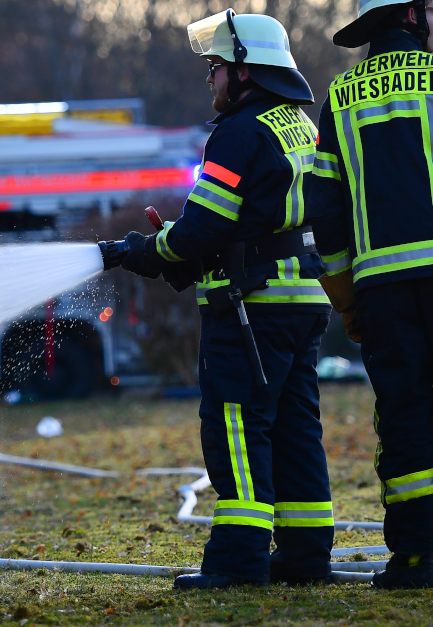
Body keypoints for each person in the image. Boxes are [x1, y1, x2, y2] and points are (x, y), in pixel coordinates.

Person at [118, 9, 335, 589]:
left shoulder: (239, 133)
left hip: (249, 308)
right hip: (301, 300)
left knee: (237, 428)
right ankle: (306, 557)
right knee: (295, 430)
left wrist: (144, 248)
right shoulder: (298, 125)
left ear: (245, 73)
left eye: (215, 68)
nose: (209, 79)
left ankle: (238, 563)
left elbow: (203, 229)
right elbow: (252, 225)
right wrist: (183, 252)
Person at [309, 0, 433, 590]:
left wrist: (346, 299)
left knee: (406, 417)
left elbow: (325, 213)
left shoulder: (340, 96)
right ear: (411, 15)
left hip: (381, 289)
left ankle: (416, 557)